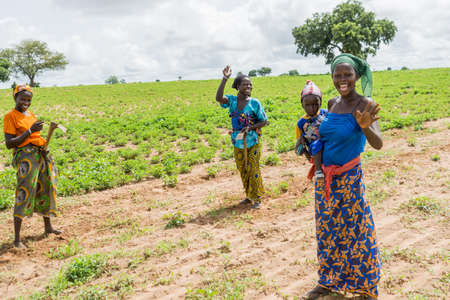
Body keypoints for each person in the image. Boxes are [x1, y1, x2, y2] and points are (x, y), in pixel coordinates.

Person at [304, 54, 382, 300]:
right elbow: (325, 136)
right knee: (328, 232)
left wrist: (366, 126)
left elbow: (378, 144)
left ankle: (366, 288)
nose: (342, 80)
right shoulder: (331, 102)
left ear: (357, 76)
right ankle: (328, 282)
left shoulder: (365, 103)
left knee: (358, 232)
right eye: (337, 75)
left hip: (350, 178)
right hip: (325, 180)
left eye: (347, 74)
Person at [3, 85, 60, 248]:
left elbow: (36, 136)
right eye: (23, 99)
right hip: (26, 158)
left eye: (28, 100)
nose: (25, 103)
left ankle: (48, 227)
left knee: (46, 188)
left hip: (40, 154)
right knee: (24, 191)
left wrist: (42, 146)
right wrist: (29, 131)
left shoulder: (30, 114)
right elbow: (9, 143)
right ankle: (17, 239)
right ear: (15, 98)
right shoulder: (10, 116)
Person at [216, 65, 268, 209]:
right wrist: (225, 78)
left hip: (253, 140)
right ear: (238, 86)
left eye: (250, 84)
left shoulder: (255, 103)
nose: (248, 86)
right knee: (243, 168)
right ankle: (248, 195)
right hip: (237, 141)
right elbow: (218, 98)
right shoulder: (232, 101)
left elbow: (264, 121)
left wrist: (250, 127)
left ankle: (257, 197)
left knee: (253, 168)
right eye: (245, 84)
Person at [295, 80, 327, 180]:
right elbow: (301, 143)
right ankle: (318, 171)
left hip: (329, 144)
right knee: (317, 144)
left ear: (321, 102)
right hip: (314, 150)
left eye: (315, 104)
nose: (312, 108)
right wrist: (304, 152)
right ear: (302, 104)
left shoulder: (326, 114)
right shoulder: (301, 123)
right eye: (307, 105)